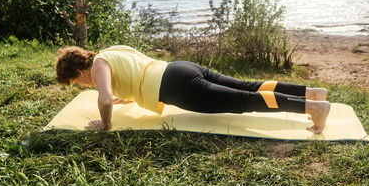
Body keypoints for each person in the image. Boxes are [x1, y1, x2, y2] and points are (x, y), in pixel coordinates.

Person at [56, 45, 330, 134]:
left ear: (79, 72)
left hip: (178, 87)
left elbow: (102, 99)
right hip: (180, 68)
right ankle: (311, 93)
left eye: (76, 82)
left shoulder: (99, 68)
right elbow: (137, 71)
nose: (82, 86)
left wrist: (105, 124)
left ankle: (313, 108)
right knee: (247, 86)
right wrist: (126, 95)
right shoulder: (110, 52)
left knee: (244, 100)